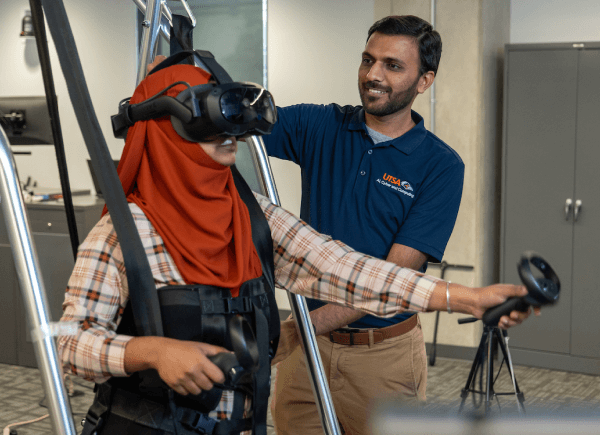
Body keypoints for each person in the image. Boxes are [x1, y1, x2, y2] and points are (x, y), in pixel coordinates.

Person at [58, 59, 530, 435]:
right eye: (208, 122)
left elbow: (341, 268)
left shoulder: (249, 214)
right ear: (166, 131)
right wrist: (153, 351)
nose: (230, 136)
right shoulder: (123, 233)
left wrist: (462, 297)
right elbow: (72, 344)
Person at [263, 15, 467, 434]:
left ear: (424, 81)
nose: (373, 75)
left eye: (393, 65)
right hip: (308, 353)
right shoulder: (320, 126)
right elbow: (237, 123)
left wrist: (296, 330)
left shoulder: (440, 167)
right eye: (367, 60)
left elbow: (390, 281)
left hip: (383, 360)